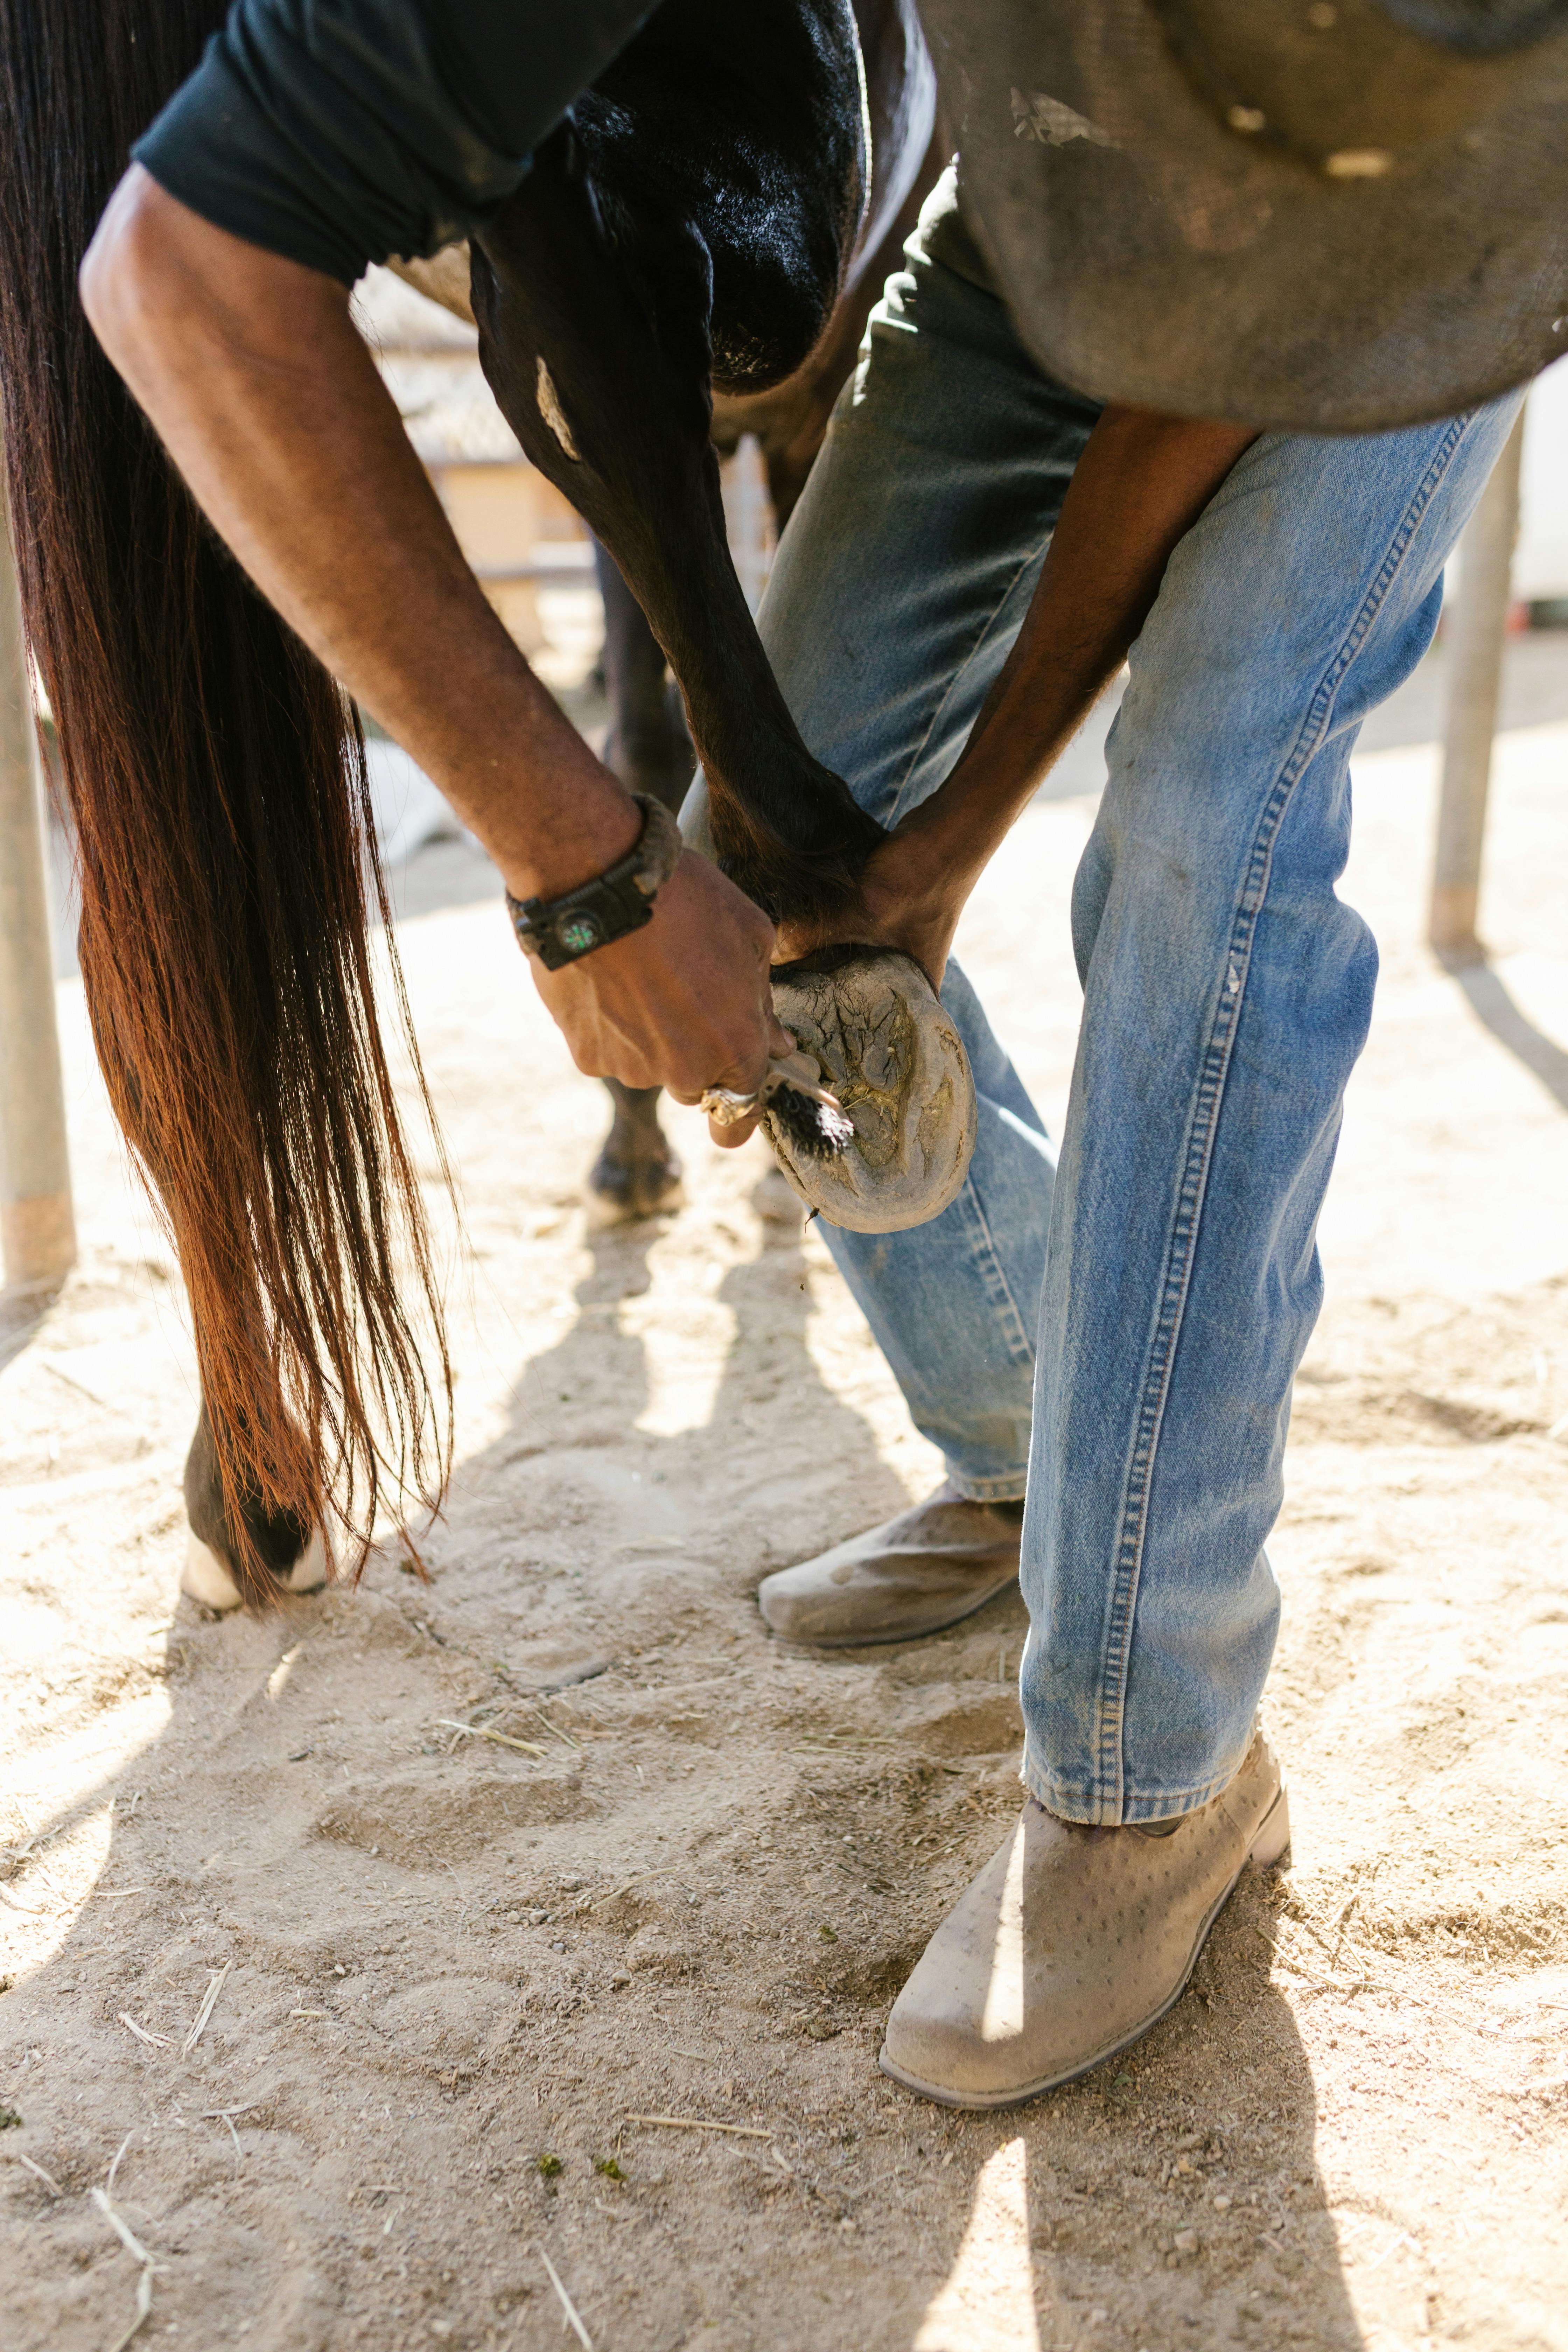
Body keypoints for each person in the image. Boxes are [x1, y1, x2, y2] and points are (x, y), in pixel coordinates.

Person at [79, 1, 1542, 2107]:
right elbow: (176, 261)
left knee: (1200, 850)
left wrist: (947, 849)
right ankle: (1036, 1435)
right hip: (1055, 199)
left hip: (1413, 236)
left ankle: (1151, 1764)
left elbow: (1190, 404)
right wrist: (628, 862)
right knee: (798, 786)